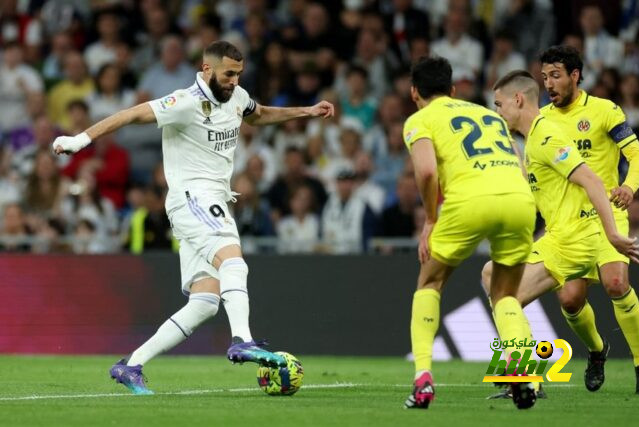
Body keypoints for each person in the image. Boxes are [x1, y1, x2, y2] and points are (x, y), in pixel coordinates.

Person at [52, 40, 334, 395]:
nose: (234, 80)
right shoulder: (184, 102)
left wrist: (306, 112)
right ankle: (242, 340)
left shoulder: (236, 97)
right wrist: (81, 139)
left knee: (205, 301)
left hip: (210, 201)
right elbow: (131, 114)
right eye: (228, 74)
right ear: (207, 70)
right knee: (234, 260)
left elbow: (258, 114)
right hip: (193, 199)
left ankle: (131, 365)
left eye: (238, 74)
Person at [484, 70, 639, 401]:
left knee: (505, 294)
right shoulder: (532, 140)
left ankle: (523, 377)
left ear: (518, 99)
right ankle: (523, 374)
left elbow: (592, 181)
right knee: (492, 278)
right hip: (559, 237)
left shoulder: (546, 137)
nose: (497, 112)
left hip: (576, 239)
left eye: (498, 104)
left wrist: (611, 233)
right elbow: (541, 189)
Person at [403, 57, 537, 410]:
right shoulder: (490, 115)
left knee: (429, 283)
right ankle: (521, 369)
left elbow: (428, 172)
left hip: (469, 201)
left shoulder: (420, 120)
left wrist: (430, 220)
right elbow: (521, 167)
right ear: (452, 90)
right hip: (519, 200)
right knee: (506, 294)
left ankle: (422, 378)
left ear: (414, 91)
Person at [538, 46, 639, 394]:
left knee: (615, 283)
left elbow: (635, 151)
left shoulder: (604, 110)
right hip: (567, 225)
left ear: (574, 76)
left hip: (606, 217)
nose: (549, 84)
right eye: (545, 77)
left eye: (555, 75)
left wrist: (629, 185)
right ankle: (598, 351)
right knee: (570, 300)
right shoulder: (541, 121)